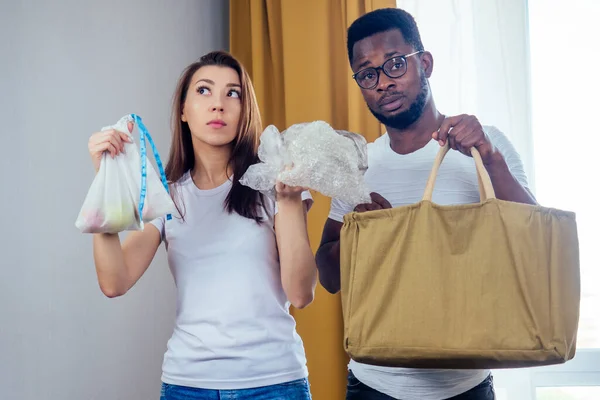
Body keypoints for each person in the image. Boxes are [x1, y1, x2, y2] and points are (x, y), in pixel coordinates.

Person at [315, 8, 537, 400]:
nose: (384, 83)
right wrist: (362, 235)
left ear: (426, 64)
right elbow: (329, 278)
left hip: (465, 386)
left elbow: (532, 242)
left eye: (395, 64)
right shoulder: (358, 166)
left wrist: (490, 159)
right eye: (368, 74)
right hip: (373, 385)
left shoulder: (487, 145)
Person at [87, 51, 315, 400]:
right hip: (187, 385)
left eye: (233, 93)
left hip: (275, 383)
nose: (218, 105)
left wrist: (288, 202)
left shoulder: (276, 186)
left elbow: (301, 293)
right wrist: (106, 182)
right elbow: (114, 281)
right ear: (183, 110)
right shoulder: (169, 199)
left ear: (245, 110)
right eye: (204, 91)